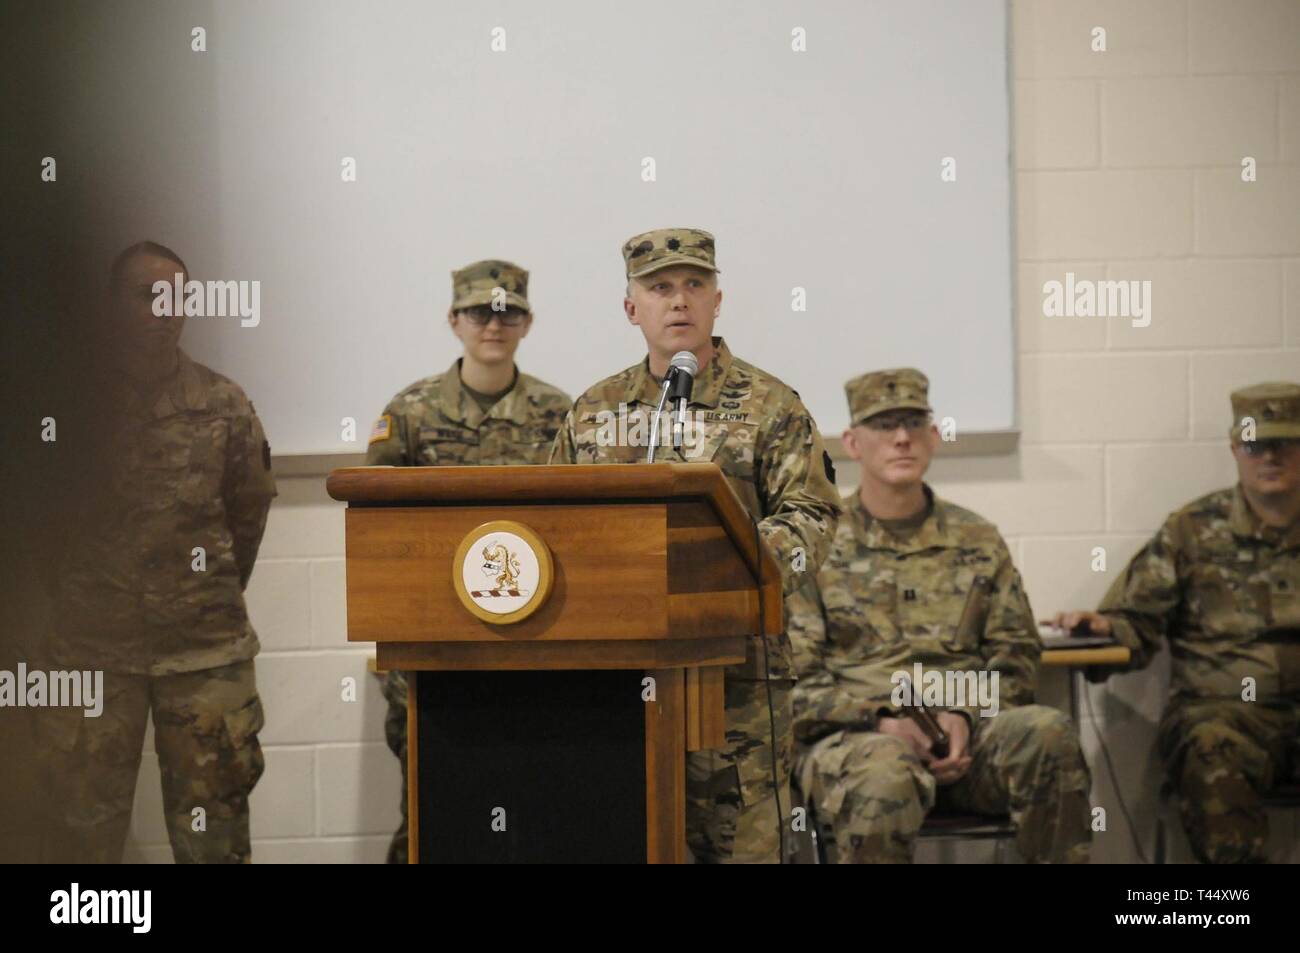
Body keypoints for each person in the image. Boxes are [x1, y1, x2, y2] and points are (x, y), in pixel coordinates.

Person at [549, 226, 841, 863]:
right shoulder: (593, 410)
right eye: (659, 288)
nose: (678, 300)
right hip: (614, 686)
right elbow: (552, 527)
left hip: (737, 683)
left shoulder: (771, 406)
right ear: (633, 309)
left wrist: (727, 561)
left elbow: (813, 516)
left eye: (694, 285)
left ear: (716, 301)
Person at [789, 368, 1091, 863]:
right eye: (884, 425)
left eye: (913, 423)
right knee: (884, 774)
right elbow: (795, 680)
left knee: (1048, 734)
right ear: (852, 442)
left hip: (970, 741)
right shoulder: (817, 546)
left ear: (933, 436)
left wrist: (964, 717)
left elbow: (1015, 655)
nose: (901, 438)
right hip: (861, 741)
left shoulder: (977, 539)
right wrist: (883, 722)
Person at [41, 241, 276, 863]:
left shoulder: (223, 404)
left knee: (215, 841)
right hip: (88, 653)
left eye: (178, 297)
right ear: (110, 305)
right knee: (78, 838)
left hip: (203, 654)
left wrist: (199, 594)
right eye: (148, 295)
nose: (164, 310)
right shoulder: (62, 410)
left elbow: (247, 513)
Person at [365, 258, 570, 863]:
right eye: (480, 311)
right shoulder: (411, 413)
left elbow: (583, 525)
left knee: (538, 805)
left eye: (508, 313)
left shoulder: (560, 415)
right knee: (433, 807)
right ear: (453, 320)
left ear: (527, 323)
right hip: (432, 647)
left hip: (536, 644)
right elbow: (374, 531)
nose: (494, 325)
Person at [1052, 381, 1300, 863]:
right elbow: (1137, 619)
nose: (1269, 456)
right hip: (1225, 714)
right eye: (1254, 444)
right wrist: (1104, 626)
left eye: (1284, 443)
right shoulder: (1192, 530)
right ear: (1234, 448)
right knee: (1211, 746)